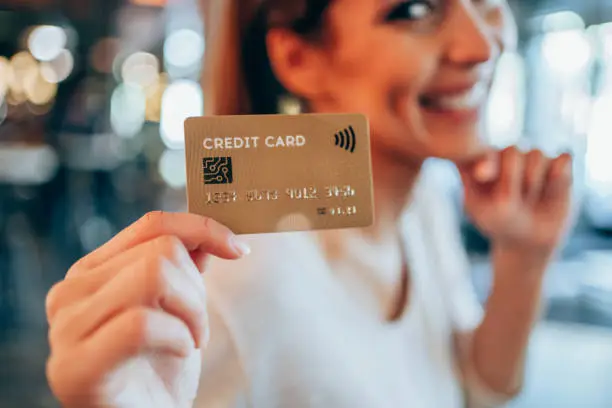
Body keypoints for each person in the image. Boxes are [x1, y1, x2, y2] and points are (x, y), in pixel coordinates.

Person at [45, 0, 574, 407]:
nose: (482, 44)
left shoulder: (424, 209)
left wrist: (524, 256)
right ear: (299, 60)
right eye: (414, 9)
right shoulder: (234, 278)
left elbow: (475, 389)